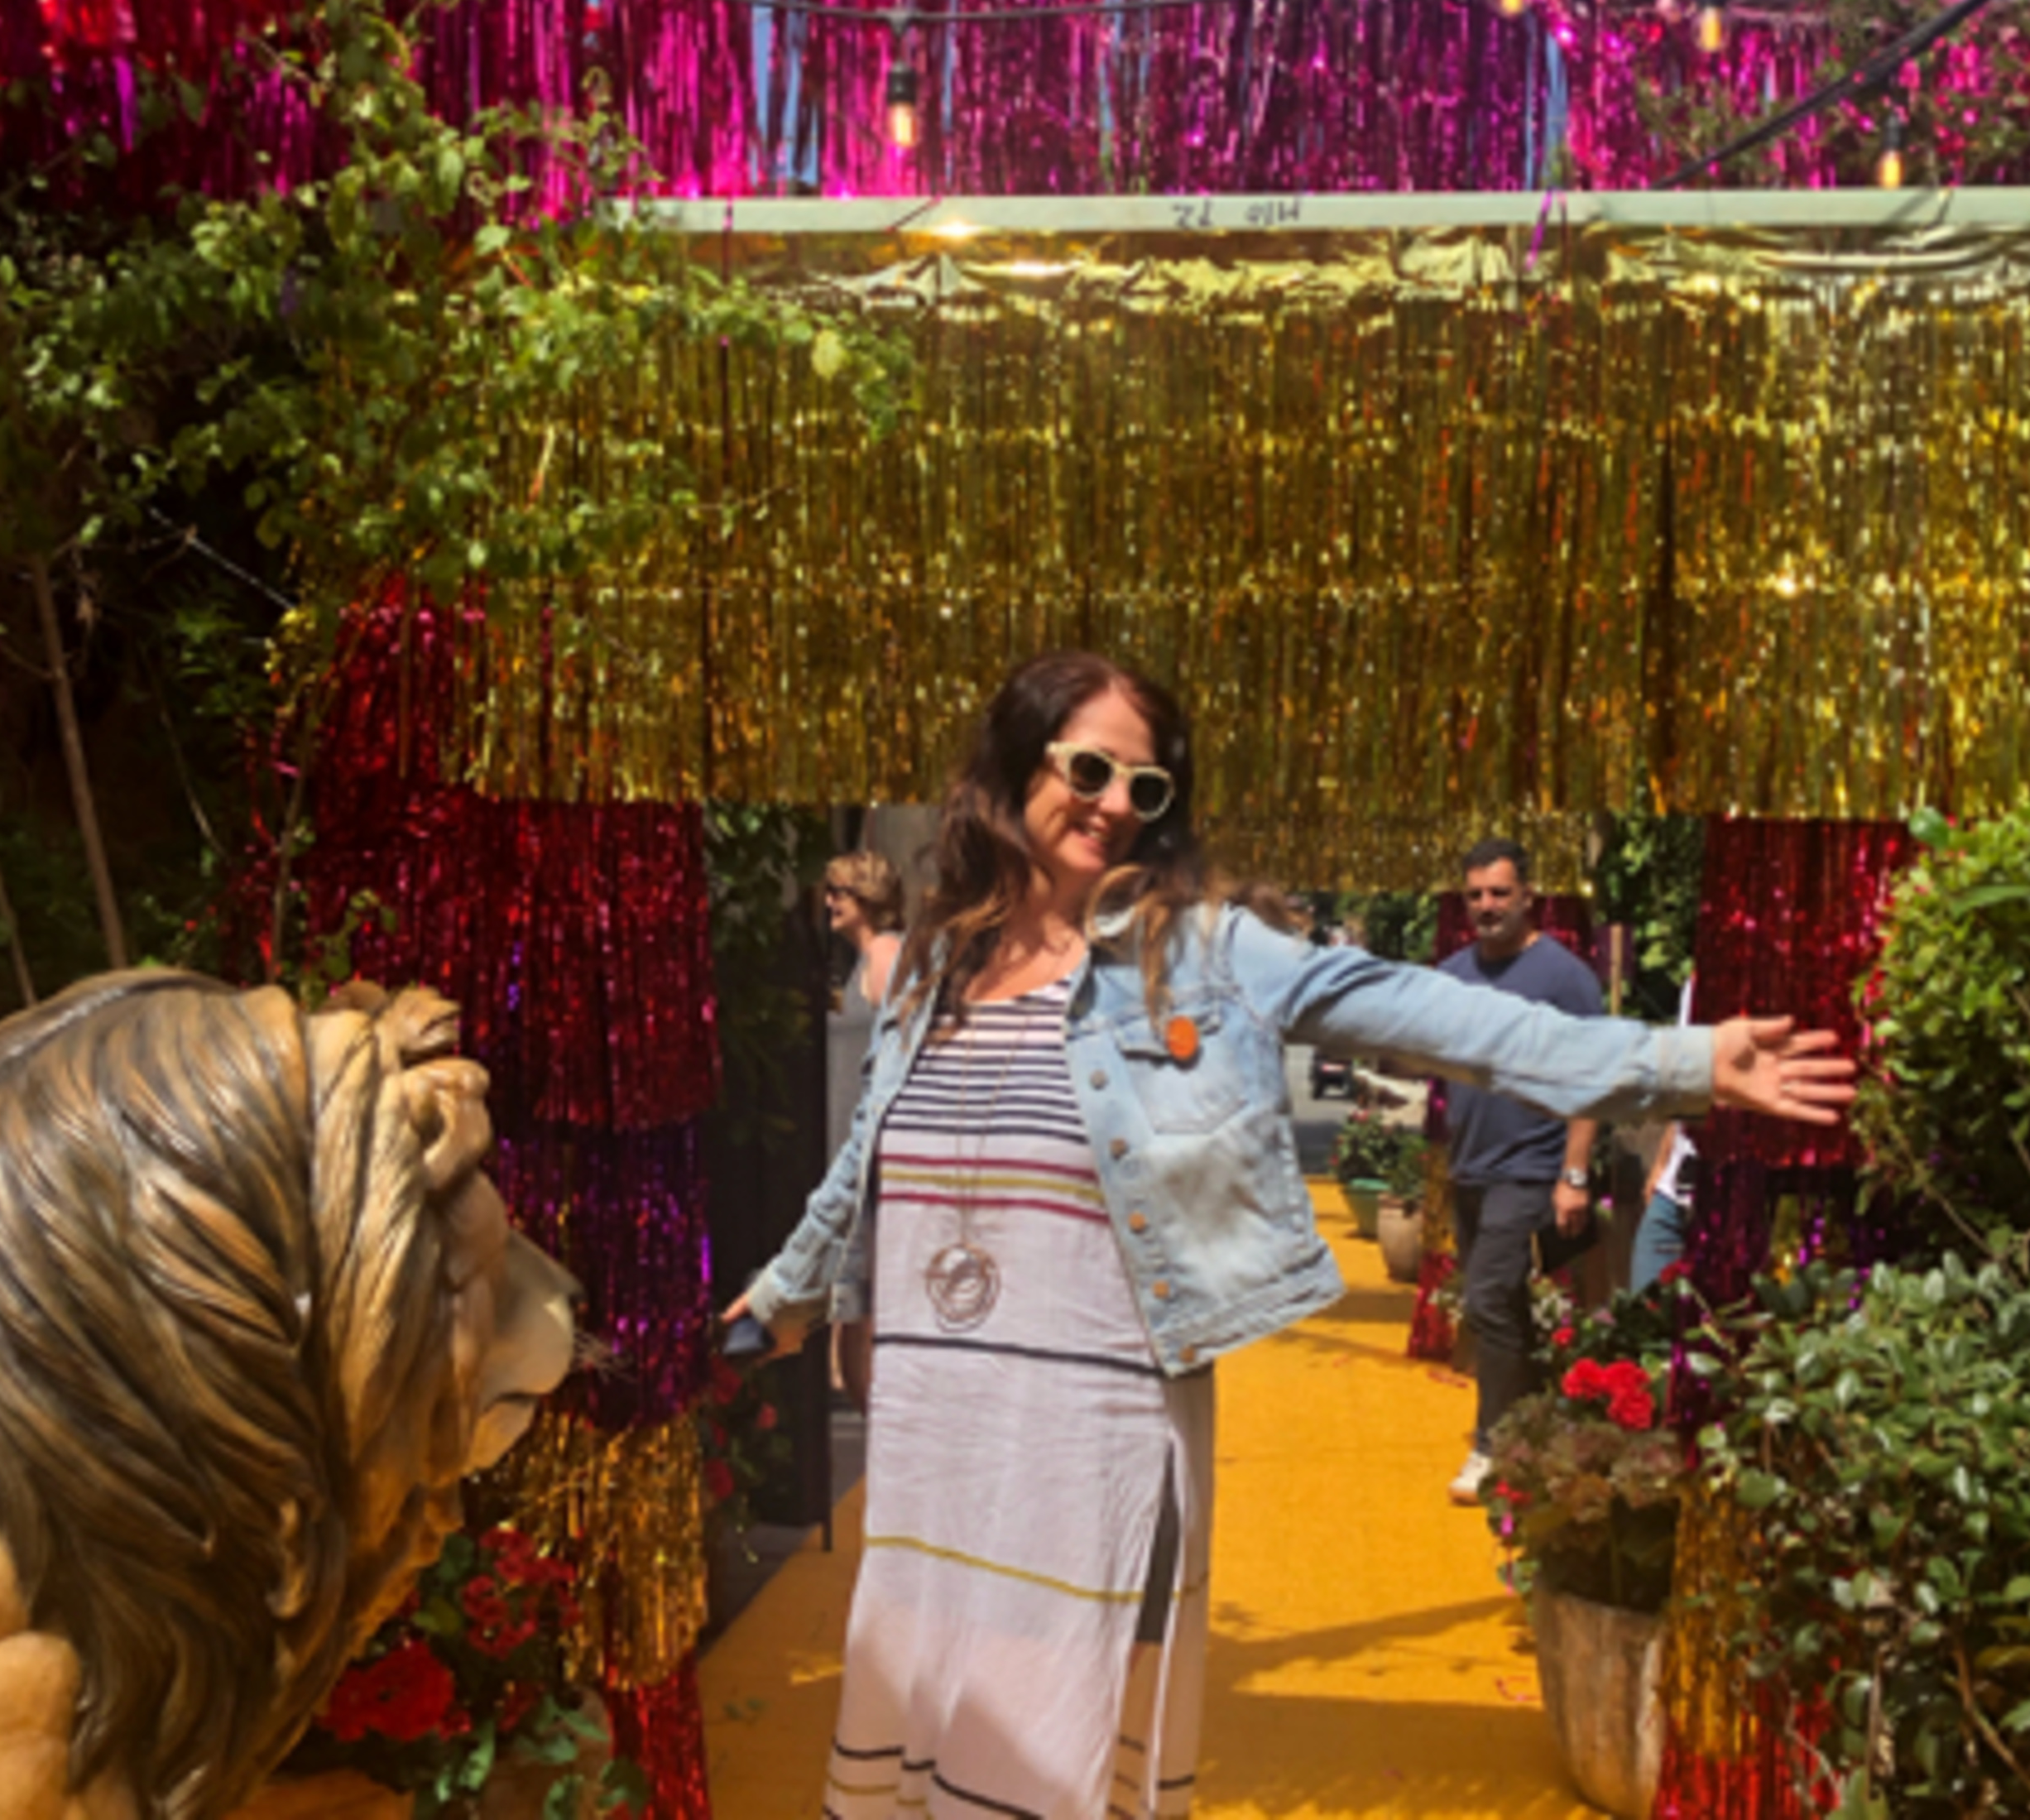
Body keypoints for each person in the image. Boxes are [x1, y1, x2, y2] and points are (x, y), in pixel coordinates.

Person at [722, 651, 1854, 1820]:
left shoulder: (1198, 952)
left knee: (1048, 1757)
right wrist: (793, 1288)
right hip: (939, 1428)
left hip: (1091, 1443)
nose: (1115, 805)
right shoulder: (933, 966)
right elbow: (865, 1154)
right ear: (1016, 765)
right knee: (924, 1719)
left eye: (1146, 788)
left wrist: (1680, 1063)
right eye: (1091, 769)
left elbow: (1433, 1014)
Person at [1437, 835, 1605, 1507]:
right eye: (1475, 895)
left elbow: (1593, 1077)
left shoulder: (1565, 978)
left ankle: (1492, 1446)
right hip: (1471, 1168)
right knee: (1501, 1307)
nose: (1487, 905)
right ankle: (1536, 1433)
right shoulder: (1453, 975)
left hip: (1531, 1168)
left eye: (1500, 893)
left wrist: (1575, 1174)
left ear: (1529, 896)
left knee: (1487, 1300)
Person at [1629, 973, 1699, 1290]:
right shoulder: (1697, 985)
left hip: (1738, 1199)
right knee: (1642, 1309)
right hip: (1675, 1191)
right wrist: (1662, 1159)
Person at [823, 849, 907, 1009]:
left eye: (837, 893)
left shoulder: (884, 951)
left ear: (867, 897)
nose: (828, 901)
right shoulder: (866, 957)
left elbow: (894, 1020)